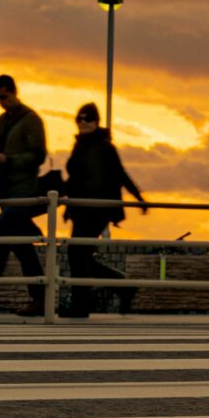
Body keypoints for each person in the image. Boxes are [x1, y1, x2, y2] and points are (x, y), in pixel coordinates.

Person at [59, 102, 144, 317]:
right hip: (81, 209)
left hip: (97, 210)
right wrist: (67, 207)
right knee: (80, 255)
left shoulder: (105, 147)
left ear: (97, 122)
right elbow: (76, 180)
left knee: (77, 253)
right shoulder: (80, 146)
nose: (83, 123)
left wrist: (139, 198)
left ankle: (82, 305)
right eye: (79, 119)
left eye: (88, 119)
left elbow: (120, 174)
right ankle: (121, 287)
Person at [0, 74, 49, 312]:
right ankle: (40, 299)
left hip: (23, 190)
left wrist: (9, 160)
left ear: (14, 92)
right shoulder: (1, 121)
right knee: (23, 247)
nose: (1, 102)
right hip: (6, 192)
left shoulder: (31, 120)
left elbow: (38, 155)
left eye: (3, 96)